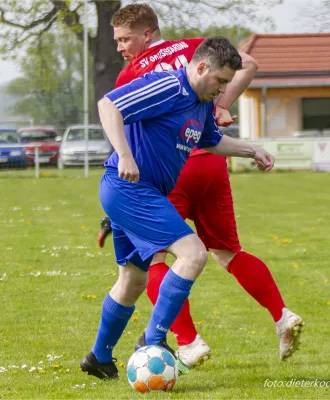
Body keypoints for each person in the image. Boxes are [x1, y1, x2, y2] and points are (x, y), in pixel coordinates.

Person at [96, 4, 304, 372]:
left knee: (136, 276)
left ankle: (103, 357)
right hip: (144, 183)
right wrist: (223, 105)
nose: (120, 48)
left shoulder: (153, 77)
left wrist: (250, 148)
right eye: (117, 40)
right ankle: (160, 341)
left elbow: (210, 139)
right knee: (203, 253)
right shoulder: (185, 59)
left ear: (146, 34)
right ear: (201, 66)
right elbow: (111, 110)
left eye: (124, 39)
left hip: (163, 176)